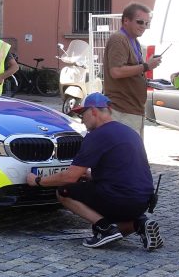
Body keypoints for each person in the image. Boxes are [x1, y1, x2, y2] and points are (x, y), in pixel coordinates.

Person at [25, 93, 162, 250]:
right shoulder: (129, 132)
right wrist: (92, 176)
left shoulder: (97, 135)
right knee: (110, 219)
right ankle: (140, 224)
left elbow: (70, 177)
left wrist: (37, 181)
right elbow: (123, 169)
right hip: (142, 202)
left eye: (82, 114)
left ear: (94, 111)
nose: (82, 120)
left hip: (120, 199)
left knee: (63, 191)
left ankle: (105, 229)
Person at [102, 2, 162, 138]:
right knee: (125, 156)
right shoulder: (119, 39)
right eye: (140, 22)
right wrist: (146, 66)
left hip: (133, 110)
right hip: (122, 111)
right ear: (126, 21)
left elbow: (133, 72)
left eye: (147, 24)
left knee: (132, 156)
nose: (144, 27)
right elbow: (116, 72)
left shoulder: (134, 41)